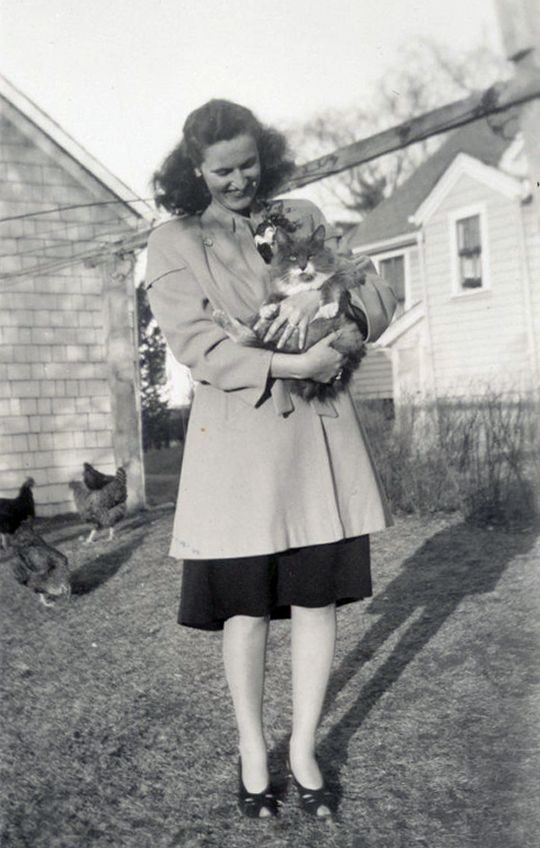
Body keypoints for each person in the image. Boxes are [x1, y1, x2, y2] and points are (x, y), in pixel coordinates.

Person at [145, 99, 396, 820]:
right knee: (246, 611)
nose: (238, 181)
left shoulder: (303, 216)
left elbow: (377, 296)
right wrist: (297, 363)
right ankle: (254, 751)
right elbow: (198, 347)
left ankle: (304, 749)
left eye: (249, 165)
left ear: (267, 156)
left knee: (316, 600)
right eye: (221, 170)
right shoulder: (174, 241)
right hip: (239, 450)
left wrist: (327, 311)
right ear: (194, 170)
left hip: (316, 442)